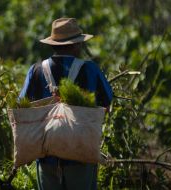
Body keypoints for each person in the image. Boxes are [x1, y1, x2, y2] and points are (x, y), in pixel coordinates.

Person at [19, 18, 113, 190]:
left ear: (53, 44)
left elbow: (22, 106)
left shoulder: (36, 70)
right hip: (81, 154)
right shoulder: (90, 69)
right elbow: (107, 101)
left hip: (46, 156)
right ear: (76, 45)